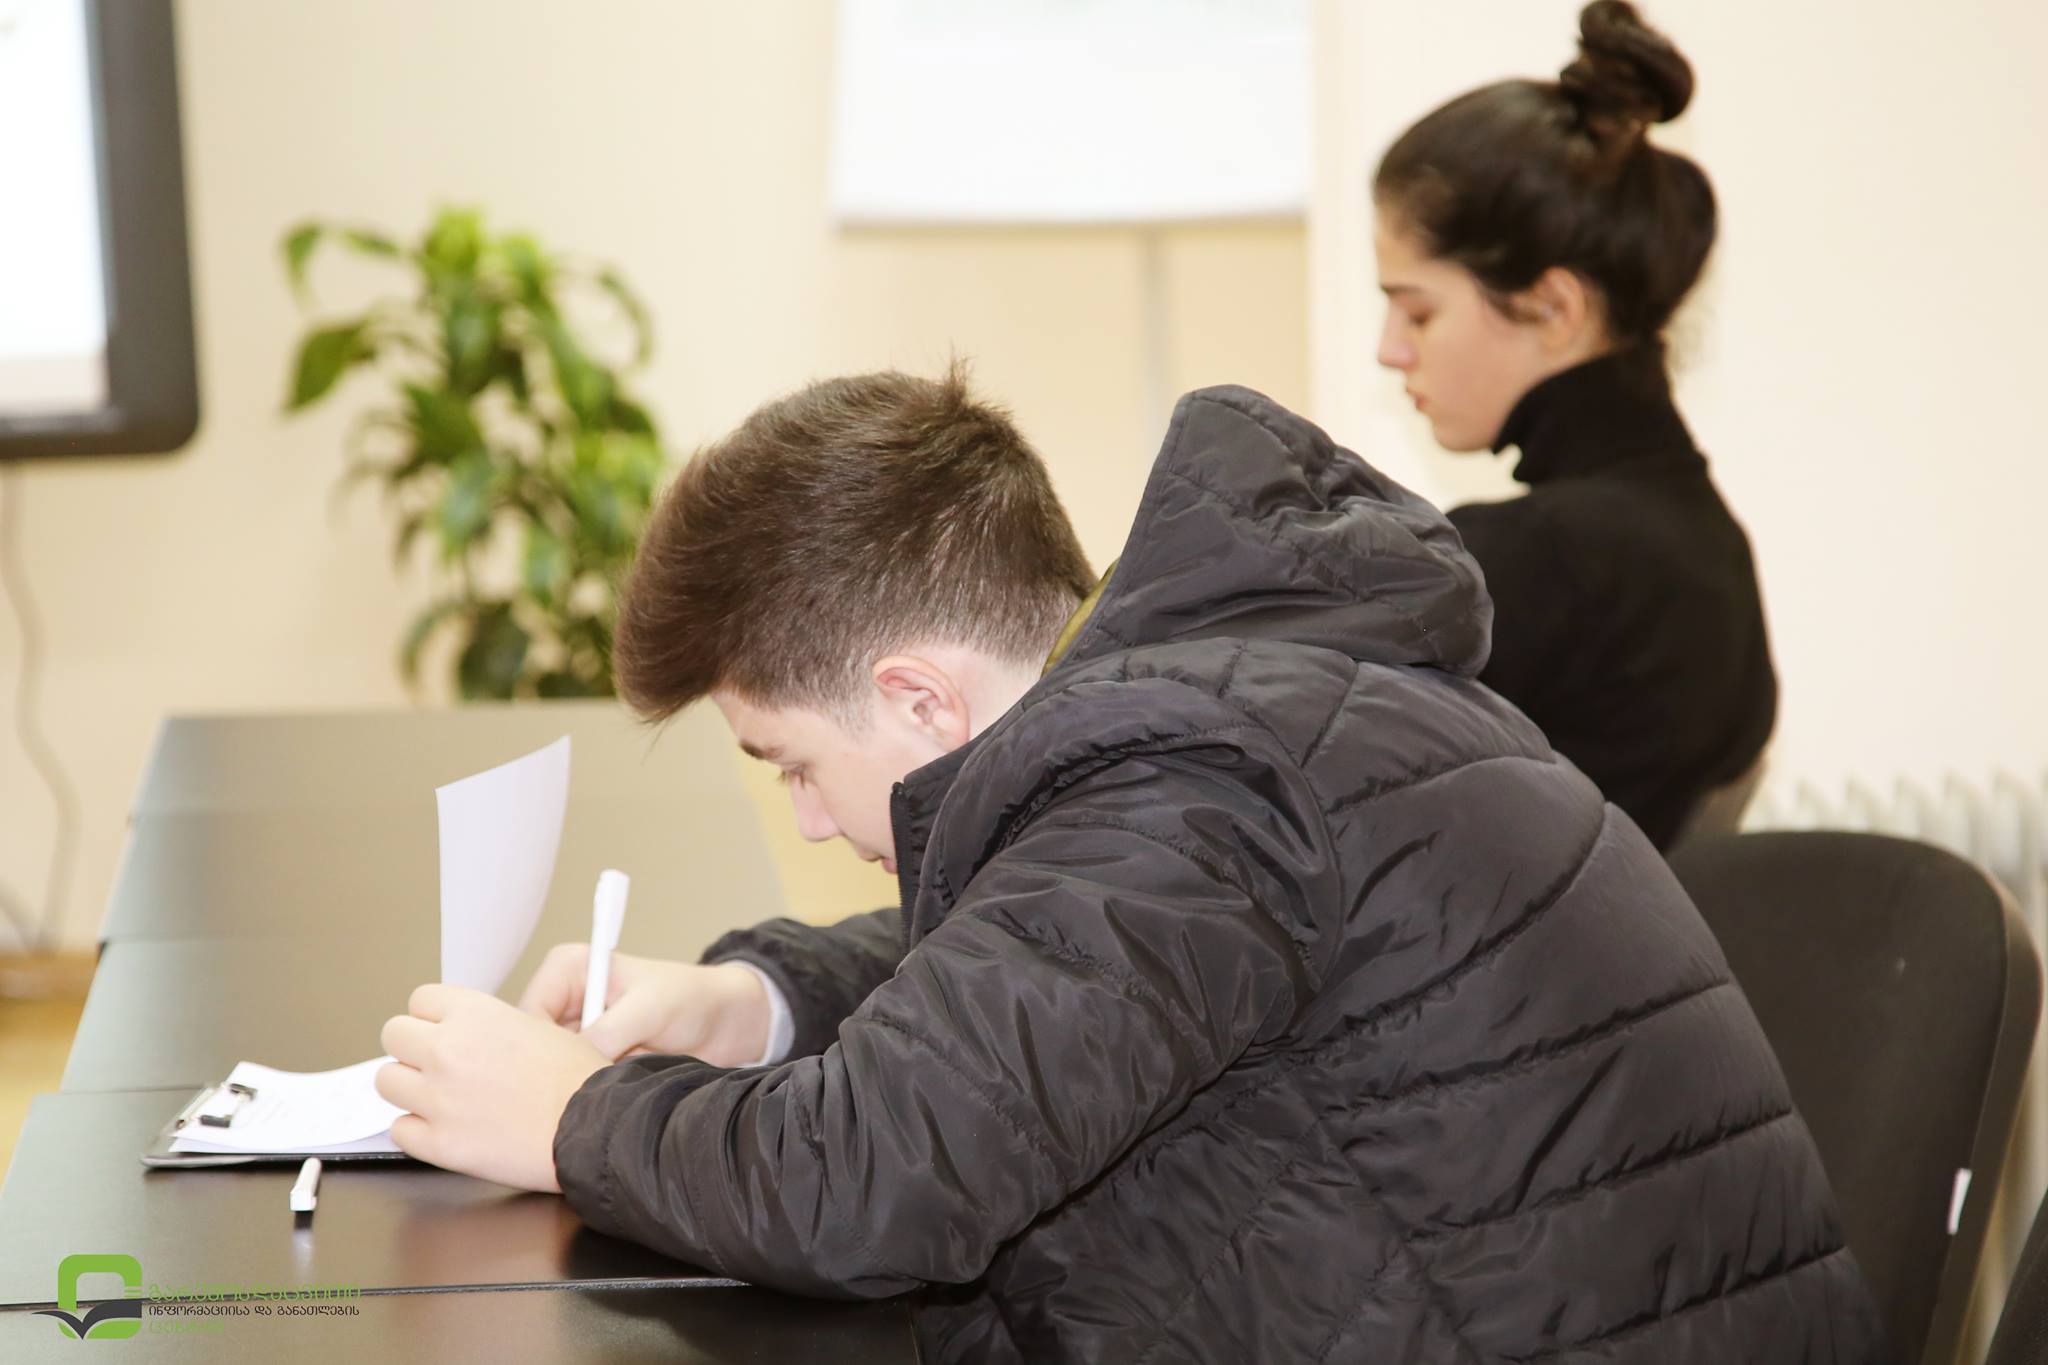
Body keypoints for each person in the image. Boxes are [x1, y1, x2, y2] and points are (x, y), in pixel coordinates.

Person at [374, 364, 1882, 1362]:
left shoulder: (1186, 780)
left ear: (917, 697)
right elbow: (1042, 964)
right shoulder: (1208, 714)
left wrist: (573, 1114)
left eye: (792, 765)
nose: (815, 822)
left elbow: (872, 1182)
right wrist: (754, 1002)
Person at [1374, 0, 1775, 850]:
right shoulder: (1707, 539)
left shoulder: (1525, 567)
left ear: (1555, 307)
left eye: (1418, 312)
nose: (1389, 350)